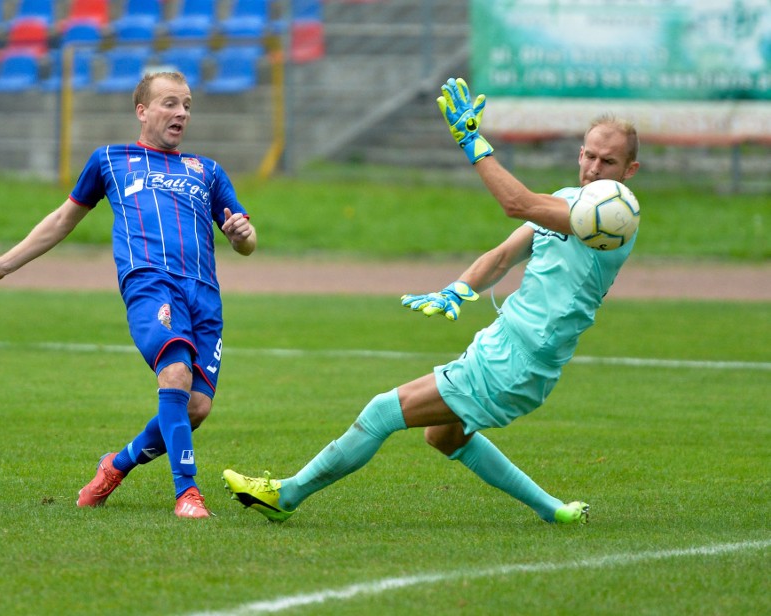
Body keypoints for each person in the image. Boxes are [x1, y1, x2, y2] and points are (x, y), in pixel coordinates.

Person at [222, 77, 640, 524]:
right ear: (579, 153)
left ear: (629, 170)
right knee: (443, 436)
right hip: (510, 346)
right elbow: (502, 257)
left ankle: (286, 495)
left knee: (383, 410)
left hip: (521, 357)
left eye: (608, 161)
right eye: (589, 155)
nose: (594, 168)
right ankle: (554, 511)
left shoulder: (613, 216)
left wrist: (472, 141)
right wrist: (457, 290)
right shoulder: (569, 199)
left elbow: (515, 203)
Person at [0, 71, 257, 520]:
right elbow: (62, 219)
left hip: (205, 296)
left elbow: (244, 238)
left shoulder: (207, 170)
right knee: (176, 375)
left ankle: (116, 464)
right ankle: (188, 494)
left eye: (186, 104)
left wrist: (242, 234)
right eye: (169, 103)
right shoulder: (110, 160)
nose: (180, 112)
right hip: (150, 284)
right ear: (142, 111)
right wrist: (7, 262)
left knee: (196, 407)